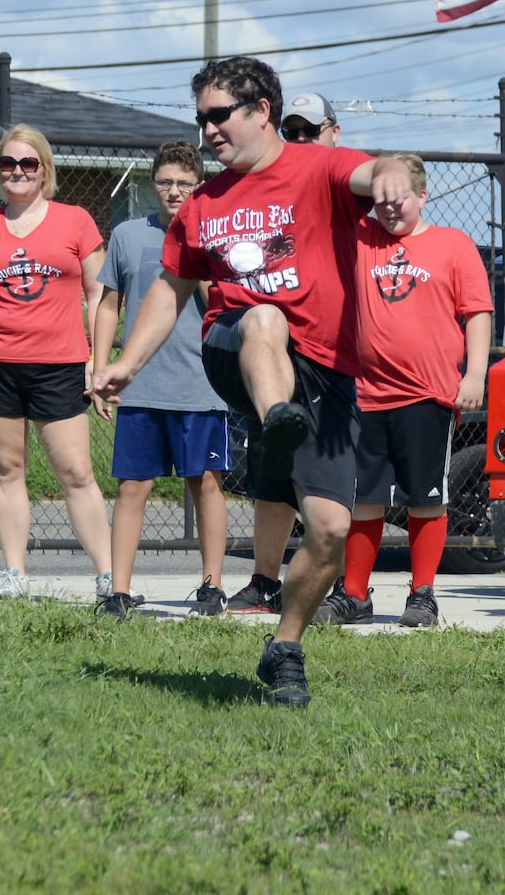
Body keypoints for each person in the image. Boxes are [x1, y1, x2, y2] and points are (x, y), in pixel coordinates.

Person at [90, 56, 414, 706]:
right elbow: (171, 288)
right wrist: (125, 362)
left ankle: (285, 647)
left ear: (262, 110)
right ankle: (273, 424)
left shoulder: (314, 168)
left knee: (327, 530)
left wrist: (395, 173)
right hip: (236, 348)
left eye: (220, 115)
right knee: (263, 317)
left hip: (324, 374)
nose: (209, 129)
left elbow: (374, 170)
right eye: (201, 117)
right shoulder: (203, 207)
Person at [314, 153, 493, 628]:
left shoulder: (453, 245)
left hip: (427, 394)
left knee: (425, 497)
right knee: (365, 499)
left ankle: (423, 593)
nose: (390, 209)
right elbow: (333, 198)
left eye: (401, 199)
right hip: (366, 393)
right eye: (382, 201)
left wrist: (474, 375)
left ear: (423, 196)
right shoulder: (360, 237)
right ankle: (354, 593)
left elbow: (477, 312)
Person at [0, 123, 114, 601]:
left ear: (44, 170)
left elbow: (98, 295)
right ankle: (15, 574)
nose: (17, 172)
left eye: (27, 163)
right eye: (8, 164)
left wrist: (94, 360)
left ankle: (108, 578)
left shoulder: (76, 221)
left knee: (76, 472)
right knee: (7, 469)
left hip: (60, 365)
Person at [91, 142, 230, 620]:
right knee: (133, 486)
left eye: (185, 184)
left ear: (200, 187)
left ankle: (212, 587)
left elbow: (223, 301)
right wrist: (100, 367)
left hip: (201, 384)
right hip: (142, 387)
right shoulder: (128, 235)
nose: (174, 192)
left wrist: (201, 251)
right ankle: (120, 591)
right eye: (166, 182)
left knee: (206, 484)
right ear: (152, 184)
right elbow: (108, 304)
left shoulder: (213, 235)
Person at [226, 89, 339, 616]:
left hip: (333, 358)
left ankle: (344, 586)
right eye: (290, 131)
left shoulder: (338, 182)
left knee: (340, 486)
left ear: (332, 135)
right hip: (272, 352)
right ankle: (265, 580)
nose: (298, 141)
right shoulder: (265, 187)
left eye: (308, 132)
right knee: (273, 465)